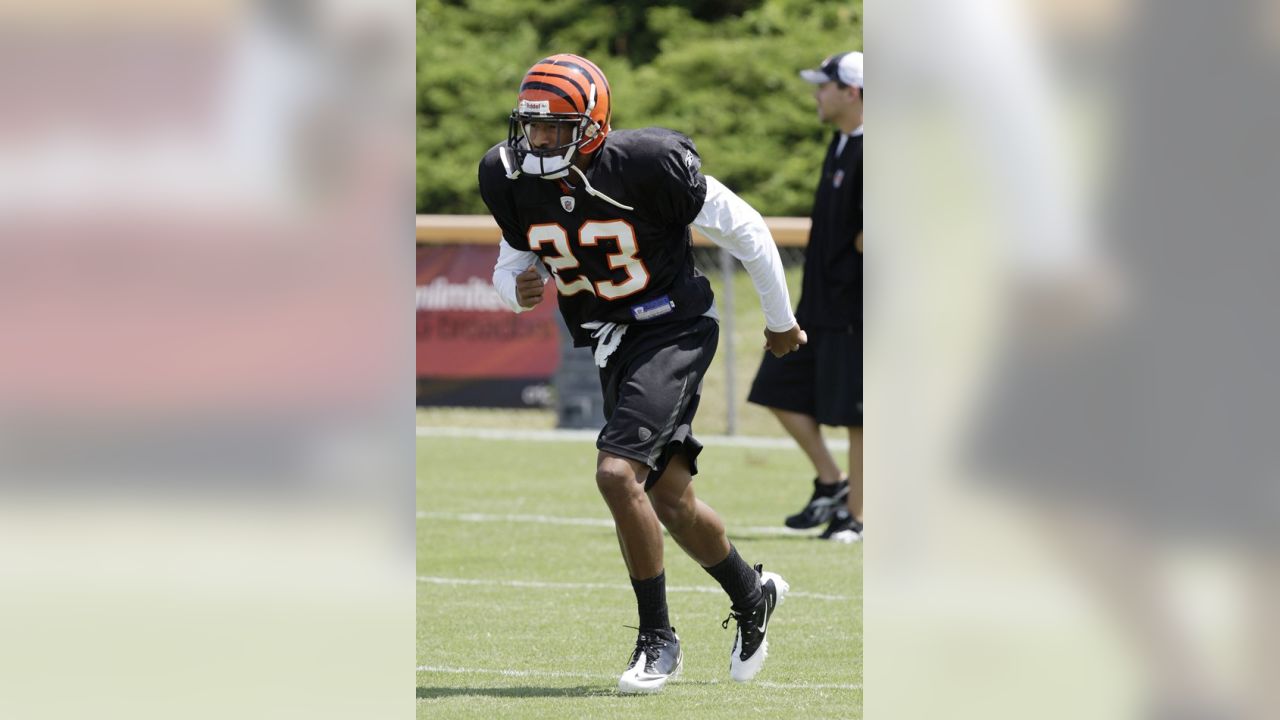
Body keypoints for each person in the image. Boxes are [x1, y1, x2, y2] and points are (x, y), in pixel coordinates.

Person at [479, 53, 806, 694]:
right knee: (671, 500)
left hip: (672, 328)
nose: (540, 141)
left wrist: (779, 320)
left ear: (593, 125)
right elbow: (513, 259)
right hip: (610, 341)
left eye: (556, 128)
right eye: (532, 127)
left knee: (614, 472)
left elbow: (746, 227)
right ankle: (752, 590)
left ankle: (658, 639)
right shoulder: (508, 173)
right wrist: (510, 288)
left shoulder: (647, 165)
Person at [747, 51, 864, 542]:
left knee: (861, 414)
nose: (817, 94)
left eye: (825, 86)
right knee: (777, 386)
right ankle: (833, 482)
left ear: (853, 92)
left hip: (856, 309)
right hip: (818, 304)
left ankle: (858, 516)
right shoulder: (841, 144)